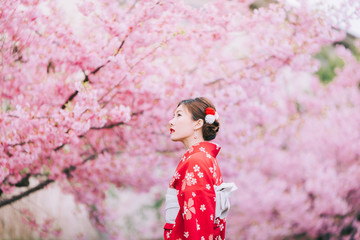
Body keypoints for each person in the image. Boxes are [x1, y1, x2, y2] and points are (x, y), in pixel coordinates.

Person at [164, 97, 237, 240]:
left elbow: (197, 221)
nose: (171, 122)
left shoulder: (197, 161)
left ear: (198, 123)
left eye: (179, 115)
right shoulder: (204, 158)